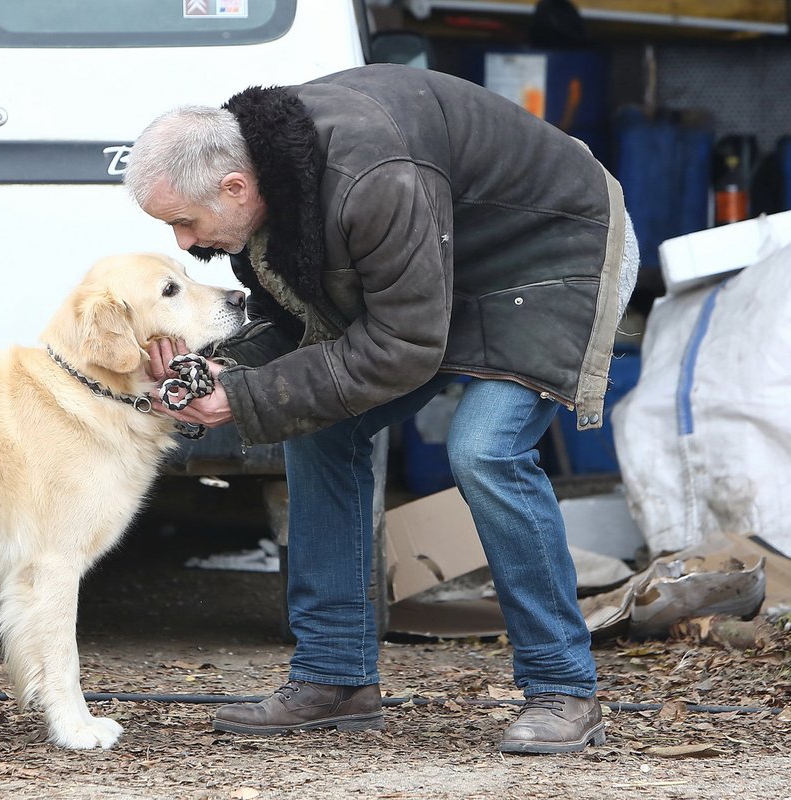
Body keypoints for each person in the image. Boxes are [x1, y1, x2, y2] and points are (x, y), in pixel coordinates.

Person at [123, 63, 639, 754]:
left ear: (234, 188)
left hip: (553, 246)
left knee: (485, 450)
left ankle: (563, 690)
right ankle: (335, 679)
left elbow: (402, 346)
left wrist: (244, 398)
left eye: (184, 223)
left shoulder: (373, 177)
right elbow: (304, 325)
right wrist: (222, 370)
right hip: (441, 262)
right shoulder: (274, 185)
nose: (184, 244)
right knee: (317, 430)